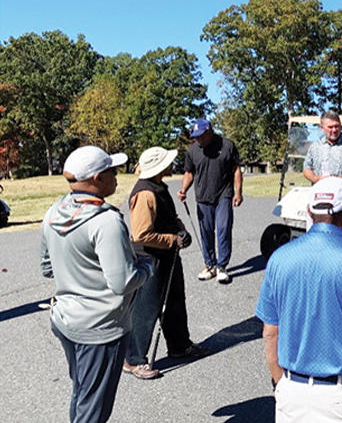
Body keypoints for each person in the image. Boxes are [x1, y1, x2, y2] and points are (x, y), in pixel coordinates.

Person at [256, 177, 342, 423]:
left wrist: (281, 382)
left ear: (310, 210)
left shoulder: (279, 258)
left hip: (293, 389)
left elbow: (270, 333)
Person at [40, 146, 153, 423]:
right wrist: (147, 266)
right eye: (112, 171)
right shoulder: (106, 221)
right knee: (94, 409)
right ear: (98, 178)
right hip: (101, 327)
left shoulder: (54, 211)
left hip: (67, 319)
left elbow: (47, 268)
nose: (117, 176)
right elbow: (122, 282)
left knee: (83, 394)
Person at [124, 147, 210, 380]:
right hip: (150, 258)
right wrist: (173, 239)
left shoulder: (158, 186)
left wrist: (180, 229)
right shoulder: (145, 193)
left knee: (174, 302)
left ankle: (179, 345)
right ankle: (133, 360)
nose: (172, 164)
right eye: (168, 162)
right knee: (145, 309)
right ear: (159, 167)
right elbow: (141, 234)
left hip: (167, 255)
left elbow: (168, 218)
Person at [178, 118, 242, 284]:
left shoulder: (227, 145)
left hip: (223, 194)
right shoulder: (193, 150)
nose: (198, 139)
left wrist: (238, 192)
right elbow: (189, 173)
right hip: (202, 197)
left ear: (210, 132)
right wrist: (184, 189)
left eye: (201, 136)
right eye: (196, 136)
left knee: (223, 229)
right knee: (206, 232)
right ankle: (210, 265)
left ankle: (222, 267)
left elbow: (236, 169)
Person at [302, 111, 342, 184]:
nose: (334, 130)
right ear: (322, 128)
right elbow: (306, 169)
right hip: (320, 192)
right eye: (330, 127)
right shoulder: (315, 147)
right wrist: (316, 179)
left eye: (337, 126)